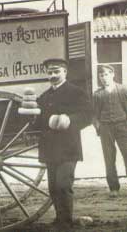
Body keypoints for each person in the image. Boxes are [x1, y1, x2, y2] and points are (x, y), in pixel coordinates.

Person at [34, 58, 92, 229]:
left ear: (65, 72)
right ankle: (60, 218)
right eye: (50, 72)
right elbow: (38, 122)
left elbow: (88, 115)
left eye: (56, 71)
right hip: (49, 148)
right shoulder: (44, 97)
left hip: (68, 147)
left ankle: (65, 223)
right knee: (53, 187)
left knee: (64, 184)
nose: (52, 75)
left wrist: (70, 120)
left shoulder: (76, 92)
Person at [93, 64, 127, 198]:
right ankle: (114, 188)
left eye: (106, 74)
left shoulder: (122, 89)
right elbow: (95, 114)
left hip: (122, 126)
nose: (104, 77)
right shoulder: (98, 94)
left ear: (112, 74)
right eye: (101, 75)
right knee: (109, 157)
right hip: (106, 127)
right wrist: (98, 127)